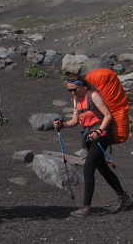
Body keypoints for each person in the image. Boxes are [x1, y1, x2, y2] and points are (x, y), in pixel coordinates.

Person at [53, 78, 127, 217]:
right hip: (88, 135)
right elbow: (75, 121)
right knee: (102, 168)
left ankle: (86, 207)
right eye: (70, 90)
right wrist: (62, 124)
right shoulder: (77, 99)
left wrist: (99, 131)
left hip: (101, 135)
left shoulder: (93, 95)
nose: (72, 92)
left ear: (82, 86)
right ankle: (122, 196)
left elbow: (107, 116)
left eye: (74, 89)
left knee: (88, 167)